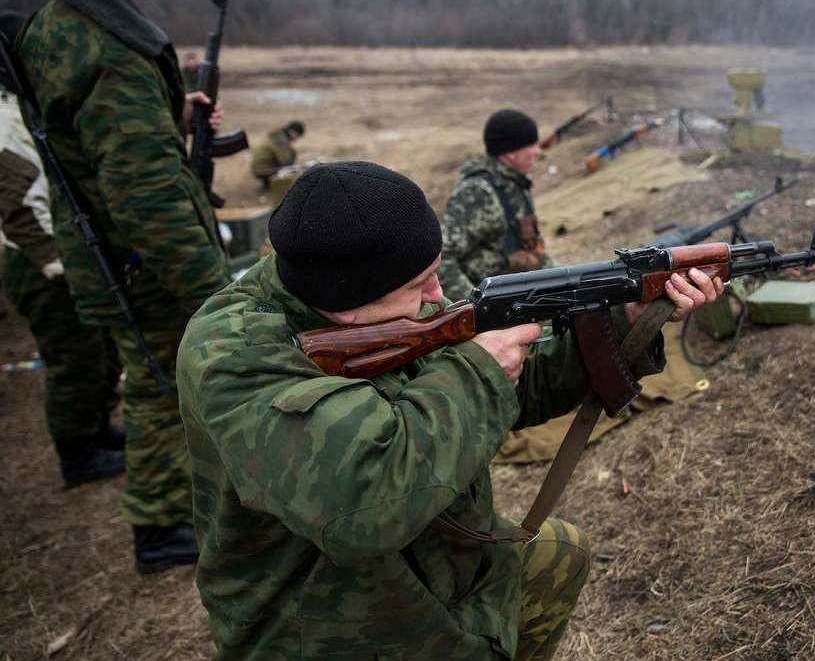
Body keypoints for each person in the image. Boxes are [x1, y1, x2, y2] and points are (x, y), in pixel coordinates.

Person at [177, 161, 723, 659]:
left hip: (443, 563)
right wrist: (479, 370)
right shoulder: (232, 354)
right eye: (420, 284)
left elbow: (509, 393)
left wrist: (628, 321)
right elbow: (363, 503)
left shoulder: (388, 308)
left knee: (560, 552)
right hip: (323, 624)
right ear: (347, 304)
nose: (439, 293)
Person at [18, 0, 230, 574]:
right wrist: (214, 292)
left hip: (110, 252)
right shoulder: (112, 49)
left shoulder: (58, 23)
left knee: (149, 378)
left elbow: (86, 135)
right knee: (163, 386)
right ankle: (161, 525)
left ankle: (166, 512)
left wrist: (170, 110)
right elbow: (146, 197)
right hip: (141, 264)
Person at [1, 10, 124, 488]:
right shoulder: (6, 116)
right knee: (72, 359)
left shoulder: (25, 105)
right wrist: (59, 264)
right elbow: (20, 207)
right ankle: (78, 453)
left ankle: (97, 430)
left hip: (62, 255)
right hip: (40, 261)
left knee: (96, 352)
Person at [440, 108, 553, 301]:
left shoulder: (516, 185)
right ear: (510, 153)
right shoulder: (477, 193)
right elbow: (441, 260)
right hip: (494, 313)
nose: (538, 151)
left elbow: (534, 250)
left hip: (521, 299)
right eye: (531, 145)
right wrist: (475, 306)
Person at [249, 120, 304, 192]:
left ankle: (267, 184)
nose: (297, 139)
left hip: (258, 167)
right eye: (298, 136)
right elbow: (285, 161)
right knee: (291, 168)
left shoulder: (277, 135)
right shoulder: (281, 140)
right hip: (262, 170)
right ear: (293, 132)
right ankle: (270, 185)